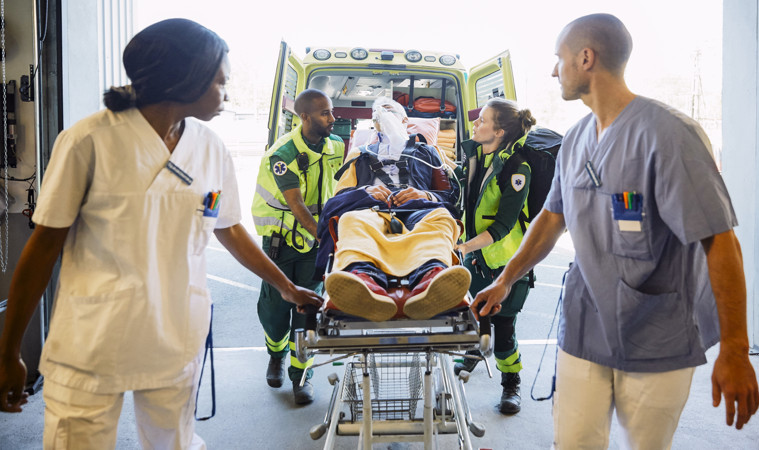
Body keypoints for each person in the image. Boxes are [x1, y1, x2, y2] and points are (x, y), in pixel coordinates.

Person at [0, 19, 322, 449]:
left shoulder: (210, 148)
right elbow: (41, 252)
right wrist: (9, 352)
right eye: (220, 83)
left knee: (174, 443)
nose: (226, 95)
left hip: (175, 335)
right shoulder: (89, 141)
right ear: (185, 79)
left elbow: (228, 228)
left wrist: (286, 288)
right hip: (93, 339)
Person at [473, 13, 759, 448]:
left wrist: (736, 350)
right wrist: (505, 278)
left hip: (655, 333)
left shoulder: (670, 135)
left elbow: (720, 241)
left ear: (586, 58)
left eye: (559, 59)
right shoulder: (575, 138)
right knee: (572, 441)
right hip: (585, 327)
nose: (554, 70)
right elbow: (552, 218)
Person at [319, 97, 470, 322]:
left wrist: (425, 195)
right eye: (378, 112)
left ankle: (432, 279)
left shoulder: (428, 152)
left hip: (419, 211)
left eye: (390, 109)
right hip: (370, 211)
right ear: (374, 123)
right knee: (350, 220)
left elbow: (451, 198)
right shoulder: (360, 154)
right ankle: (363, 280)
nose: (384, 112)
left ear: (405, 119)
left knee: (441, 218)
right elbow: (338, 200)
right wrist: (365, 192)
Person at [251, 88, 345, 404]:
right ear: (304, 117)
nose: (332, 118)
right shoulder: (283, 155)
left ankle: (302, 376)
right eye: (324, 113)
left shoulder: (336, 147)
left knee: (308, 310)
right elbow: (298, 206)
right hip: (281, 244)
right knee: (276, 311)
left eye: (331, 111)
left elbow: (343, 190)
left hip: (314, 245)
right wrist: (326, 238)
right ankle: (275, 354)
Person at [452, 98, 537, 415]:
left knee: (503, 328)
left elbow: (502, 227)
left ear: (499, 132)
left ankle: (511, 384)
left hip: (507, 264)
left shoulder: (517, 170)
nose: (475, 123)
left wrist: (461, 248)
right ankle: (471, 359)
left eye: (482, 120)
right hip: (479, 261)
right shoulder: (477, 158)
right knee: (477, 315)